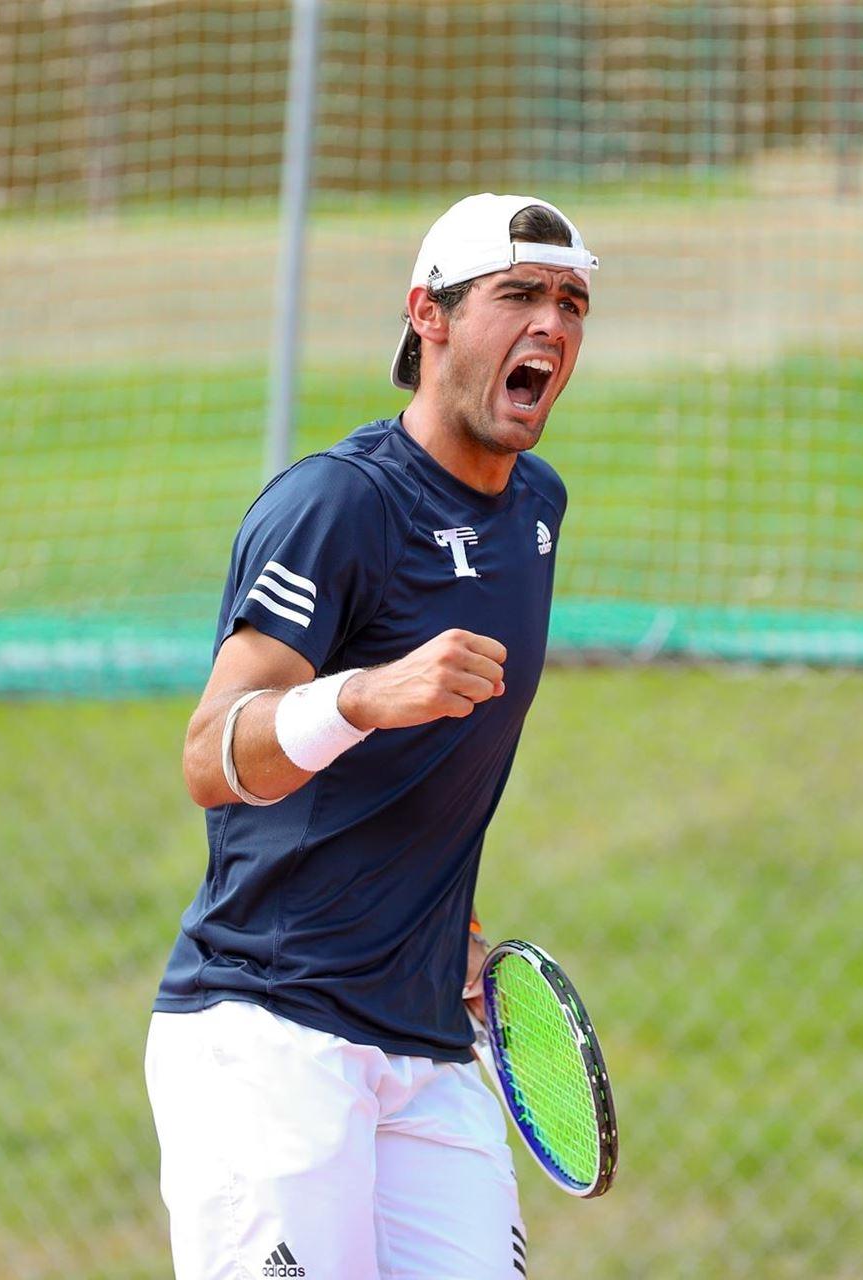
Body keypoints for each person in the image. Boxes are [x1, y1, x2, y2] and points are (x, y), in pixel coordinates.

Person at [147, 193, 599, 1279]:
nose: (551, 323)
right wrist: (356, 697)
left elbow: (425, 784)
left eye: (573, 301)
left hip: (429, 1042)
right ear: (428, 316)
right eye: (519, 295)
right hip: (272, 1033)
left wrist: (452, 922)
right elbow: (211, 756)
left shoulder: (536, 508)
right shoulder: (335, 506)